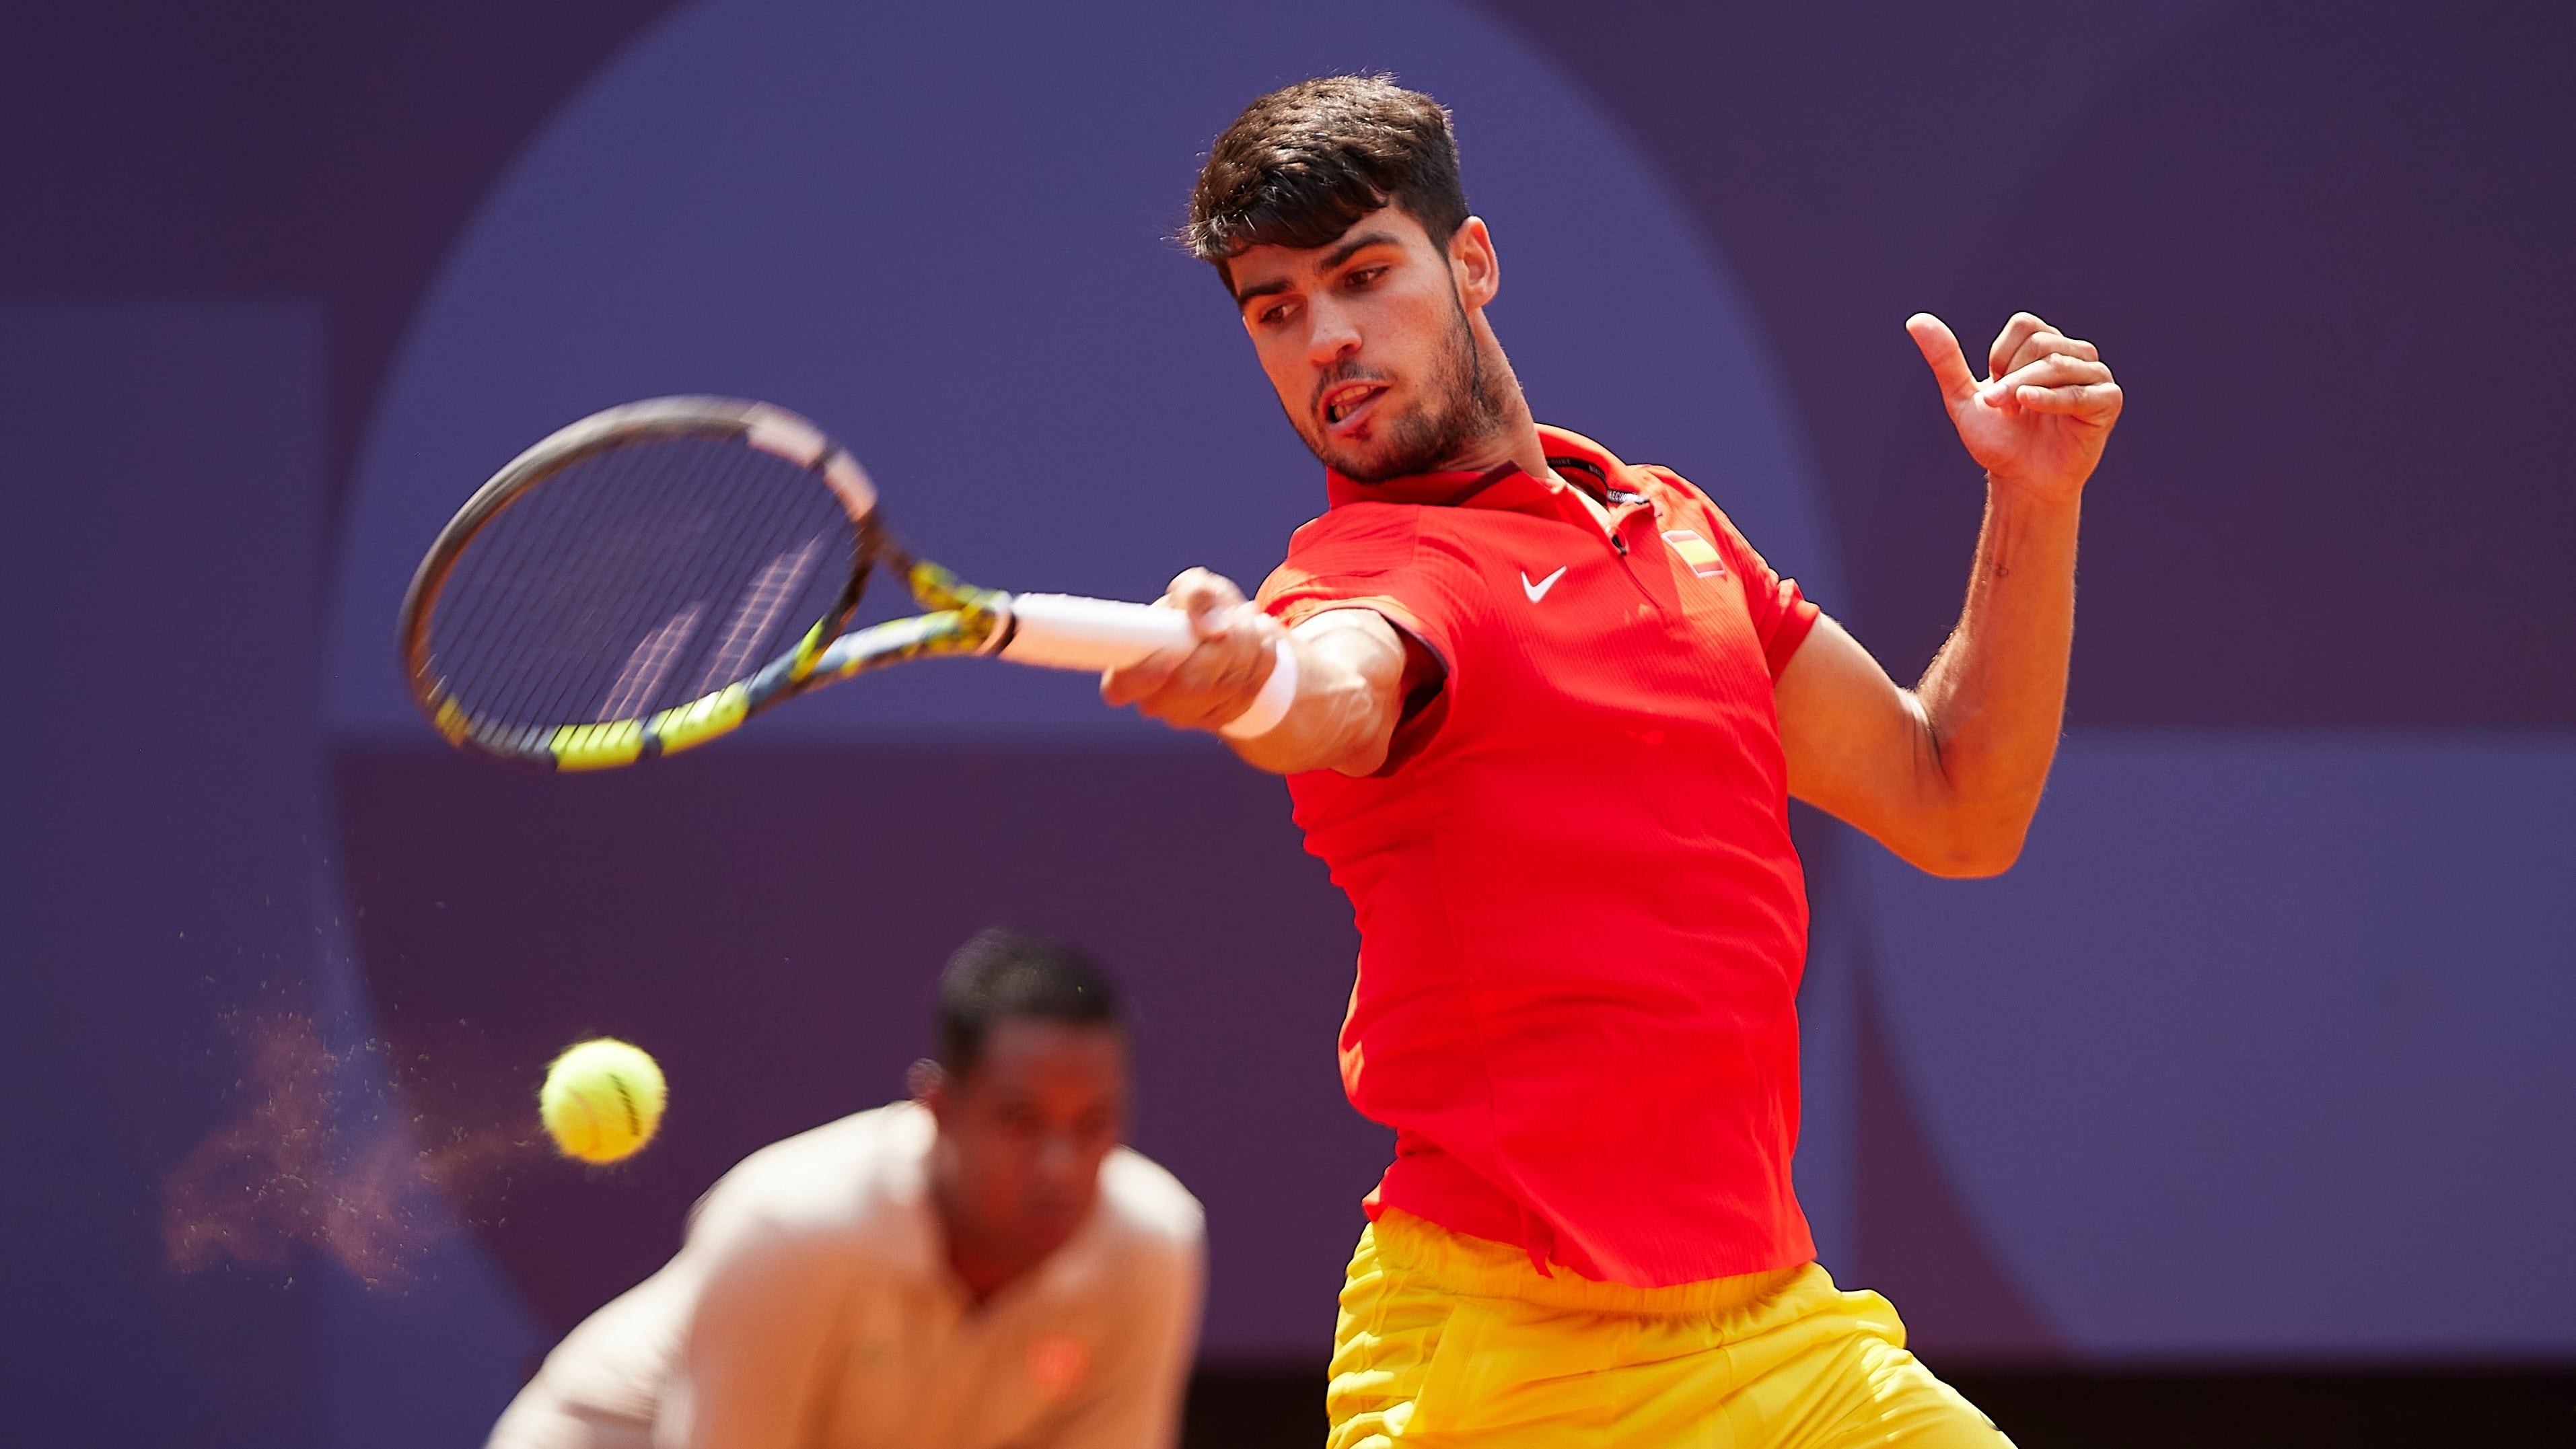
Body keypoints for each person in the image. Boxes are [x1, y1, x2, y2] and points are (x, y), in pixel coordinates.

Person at [1103, 76, 2122, 1447]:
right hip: (1507, 1359)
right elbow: (1339, 683)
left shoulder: (1670, 528)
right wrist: (1255, 683)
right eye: (1275, 309)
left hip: (1777, 1330)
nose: (1327, 337)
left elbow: (1956, 800)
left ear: (1473, 261)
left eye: (1361, 274)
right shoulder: (1363, 576)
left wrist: (2035, 500)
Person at [486, 929, 1205, 1449]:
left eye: (1094, 1123)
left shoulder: (1153, 1242)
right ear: (939, 1108)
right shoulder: (789, 1225)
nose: (1061, 1164)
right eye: (1020, 1119)